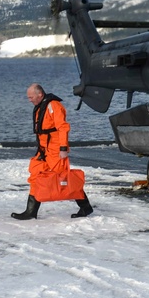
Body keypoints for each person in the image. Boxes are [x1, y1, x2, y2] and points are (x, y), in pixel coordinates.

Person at [11, 83, 93, 220]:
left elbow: (63, 128)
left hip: (55, 149)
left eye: (31, 97)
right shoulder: (40, 107)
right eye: (28, 97)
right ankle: (31, 211)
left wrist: (63, 148)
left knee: (63, 178)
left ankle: (85, 206)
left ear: (40, 94)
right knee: (36, 175)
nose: (29, 100)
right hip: (43, 150)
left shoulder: (54, 106)